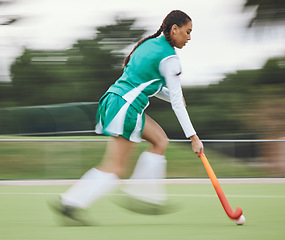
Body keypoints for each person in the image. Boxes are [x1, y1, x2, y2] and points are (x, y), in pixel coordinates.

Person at [49, 9, 204, 225]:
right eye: (187, 32)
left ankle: (144, 194)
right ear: (174, 29)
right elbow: (177, 103)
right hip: (126, 107)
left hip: (115, 100)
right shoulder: (170, 58)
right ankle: (71, 202)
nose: (189, 38)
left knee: (160, 141)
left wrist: (171, 97)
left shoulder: (148, 44)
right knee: (115, 167)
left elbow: (148, 84)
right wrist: (193, 137)